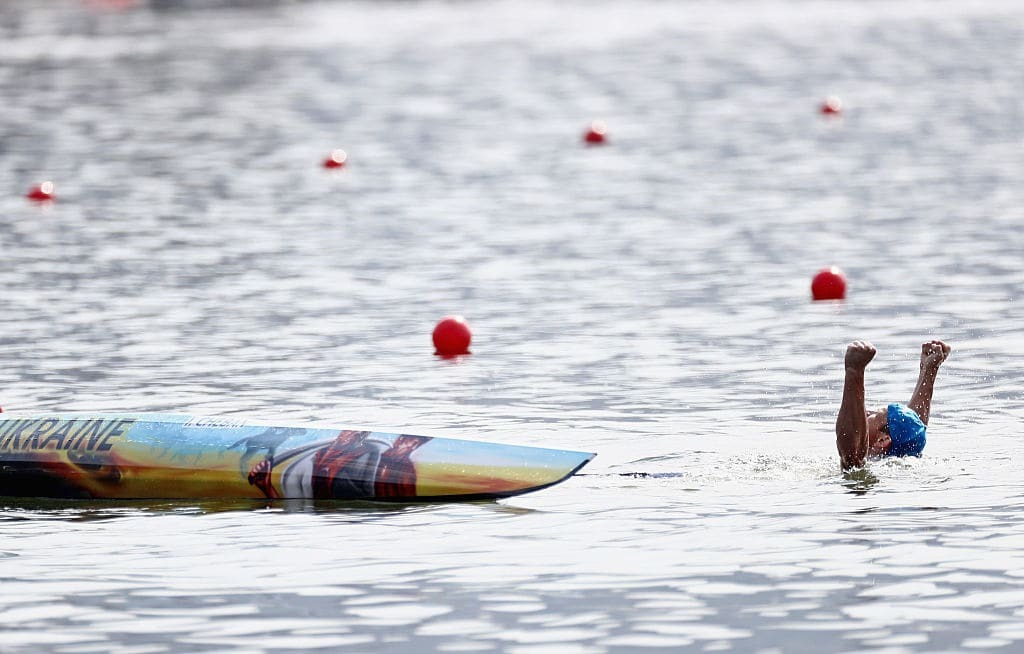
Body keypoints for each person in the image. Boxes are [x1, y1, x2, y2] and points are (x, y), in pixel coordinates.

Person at [836, 340, 951, 470]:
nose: (867, 412)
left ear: (882, 441)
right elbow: (914, 429)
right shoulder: (896, 456)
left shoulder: (861, 464)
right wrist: (929, 369)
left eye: (875, 415)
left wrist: (854, 371)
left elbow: (852, 454)